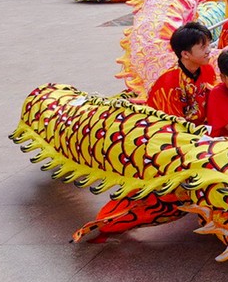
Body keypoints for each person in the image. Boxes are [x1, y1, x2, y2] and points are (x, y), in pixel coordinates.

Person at [73, 22, 215, 241]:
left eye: (208, 43)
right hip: (167, 147)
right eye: (203, 46)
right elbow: (172, 129)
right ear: (185, 54)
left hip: (204, 138)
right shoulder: (168, 83)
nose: (209, 49)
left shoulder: (207, 70)